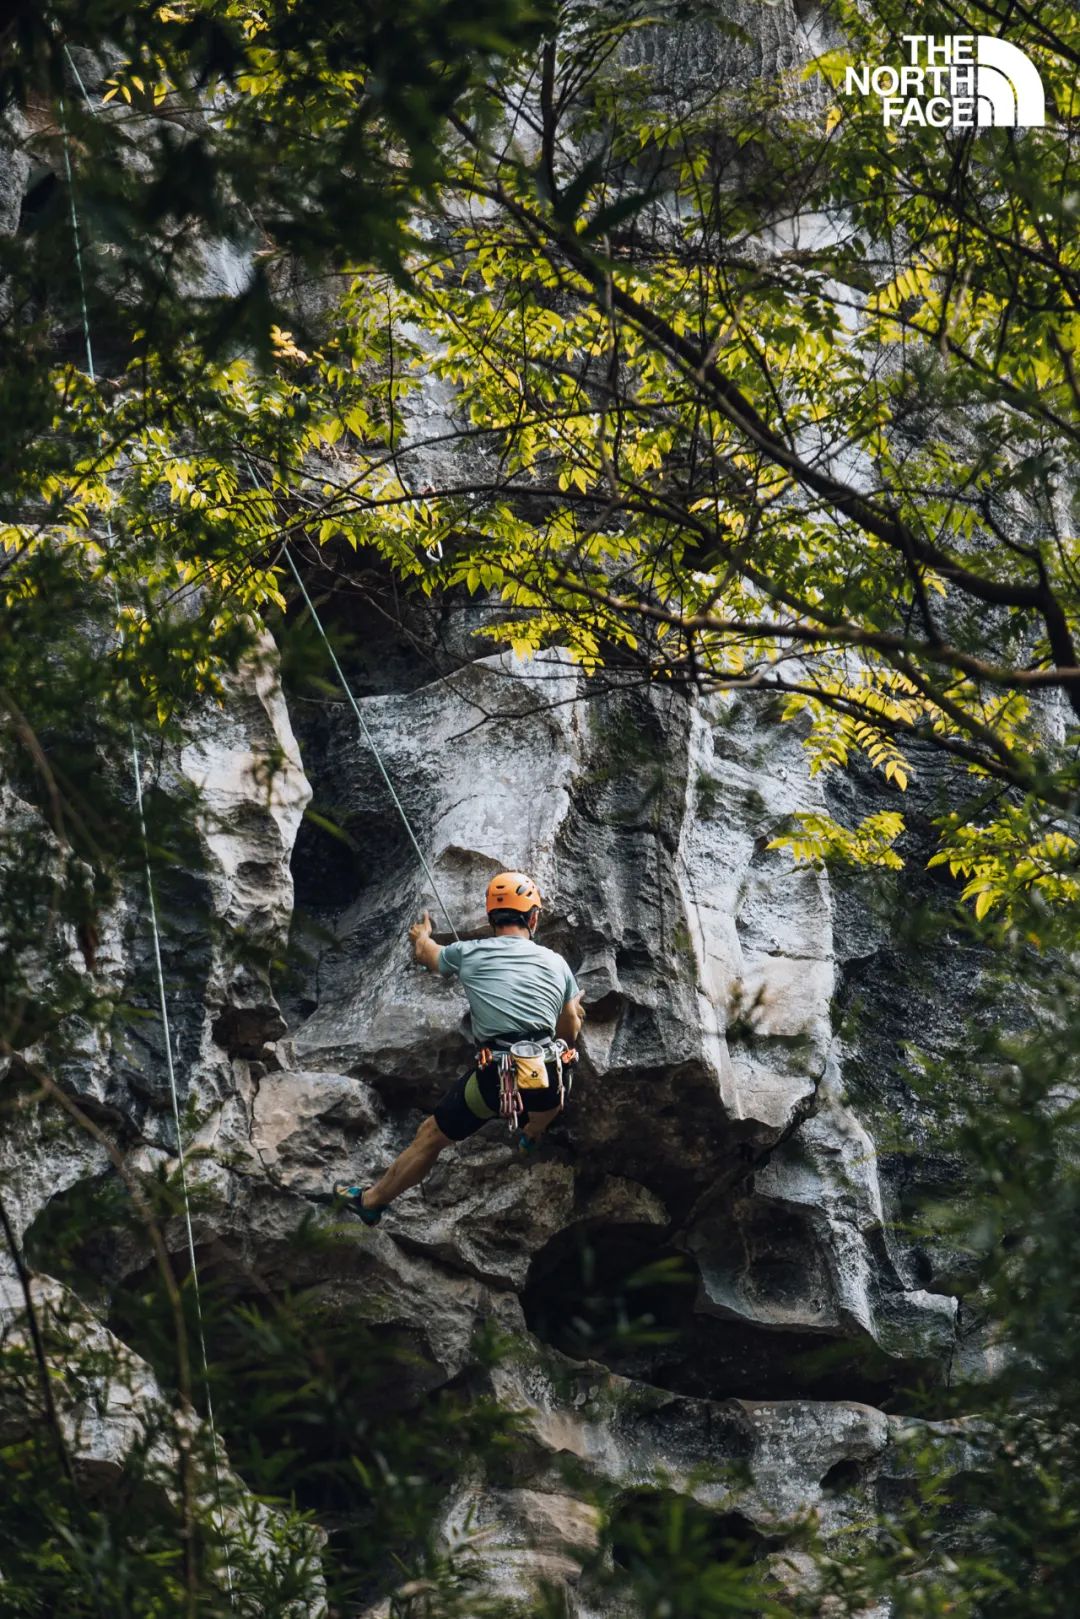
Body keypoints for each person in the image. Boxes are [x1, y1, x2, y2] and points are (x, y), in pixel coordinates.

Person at [334, 871, 584, 1225]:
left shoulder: (469, 953)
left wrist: (422, 935)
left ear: (490, 918)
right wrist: (567, 1020)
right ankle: (532, 1132)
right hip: (547, 1077)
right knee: (558, 1080)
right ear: (533, 917)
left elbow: (426, 954)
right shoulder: (557, 964)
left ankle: (372, 1201)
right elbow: (571, 1026)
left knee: (431, 1136)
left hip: (496, 1080)